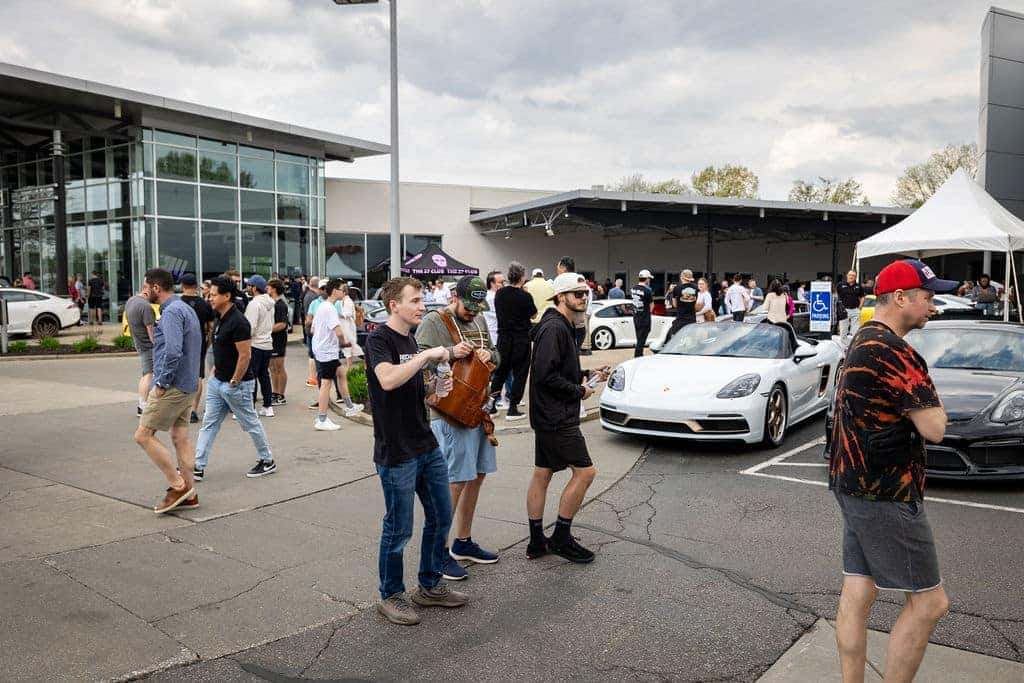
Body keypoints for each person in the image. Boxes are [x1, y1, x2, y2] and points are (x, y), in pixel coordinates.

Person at [830, 258, 955, 683]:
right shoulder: (898, 352)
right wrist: (938, 408)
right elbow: (934, 428)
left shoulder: (863, 337)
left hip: (851, 482)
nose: (932, 305)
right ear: (900, 297)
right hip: (889, 491)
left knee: (859, 589)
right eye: (927, 296)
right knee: (929, 603)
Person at [367, 276, 470, 626]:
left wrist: (436, 385)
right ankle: (391, 594)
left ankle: (429, 585)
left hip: (425, 443)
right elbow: (388, 380)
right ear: (394, 304)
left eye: (422, 299)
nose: (421, 306)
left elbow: (416, 387)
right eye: (414, 300)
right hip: (396, 450)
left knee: (441, 515)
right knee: (398, 528)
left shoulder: (410, 339)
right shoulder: (380, 339)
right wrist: (427, 355)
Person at [416, 275, 501, 581]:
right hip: (449, 413)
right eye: (469, 305)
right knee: (454, 479)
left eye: (479, 307)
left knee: (476, 475)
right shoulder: (434, 321)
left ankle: (462, 542)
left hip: (477, 408)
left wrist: (490, 356)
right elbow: (417, 361)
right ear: (455, 296)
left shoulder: (478, 321)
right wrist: (452, 354)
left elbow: (497, 354)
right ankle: (437, 552)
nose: (473, 312)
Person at [526, 272, 608, 564]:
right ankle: (560, 537)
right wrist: (579, 391)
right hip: (556, 416)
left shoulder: (560, 326)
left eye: (585, 293)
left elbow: (556, 369)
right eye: (577, 294)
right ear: (560, 297)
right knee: (585, 472)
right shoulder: (555, 328)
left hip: (549, 414)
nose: (583, 298)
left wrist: (587, 377)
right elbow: (546, 376)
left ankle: (537, 541)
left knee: (543, 473)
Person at [133, 268, 202, 514]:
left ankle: (178, 486)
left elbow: (173, 351)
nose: (144, 291)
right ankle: (190, 494)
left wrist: (161, 383)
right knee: (180, 438)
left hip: (172, 387)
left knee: (142, 436)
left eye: (146, 286)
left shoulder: (172, 312)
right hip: (188, 385)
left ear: (156, 288)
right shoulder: (185, 308)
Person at [193, 276, 276, 481]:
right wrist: (215, 373)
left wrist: (234, 381)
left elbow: (245, 355)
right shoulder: (219, 316)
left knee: (250, 423)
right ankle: (197, 465)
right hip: (217, 381)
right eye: (209, 294)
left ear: (227, 296)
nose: (209, 298)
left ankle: (267, 460)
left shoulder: (239, 322)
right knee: (209, 424)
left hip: (237, 385)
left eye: (213, 295)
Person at [490, 262, 536, 422]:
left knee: (500, 373)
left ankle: (491, 404)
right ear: (522, 277)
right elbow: (533, 314)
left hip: (503, 338)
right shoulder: (525, 296)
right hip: (521, 339)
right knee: (520, 374)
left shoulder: (500, 294)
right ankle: (513, 407)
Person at [311, 278, 355, 431]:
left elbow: (312, 329)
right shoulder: (330, 308)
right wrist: (343, 343)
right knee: (326, 383)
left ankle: (349, 406)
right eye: (342, 288)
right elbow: (338, 331)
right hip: (327, 351)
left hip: (322, 349)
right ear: (335, 290)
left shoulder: (323, 306)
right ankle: (322, 419)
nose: (344, 291)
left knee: (341, 372)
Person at [179, 274, 215, 424]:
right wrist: (208, 342)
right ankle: (193, 410)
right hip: (198, 342)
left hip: (180, 343)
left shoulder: (177, 303)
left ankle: (181, 410)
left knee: (180, 376)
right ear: (195, 286)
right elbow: (210, 327)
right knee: (197, 376)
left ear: (182, 286)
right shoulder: (204, 304)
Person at [244, 275, 276, 417]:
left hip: (255, 343)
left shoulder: (254, 304)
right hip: (267, 343)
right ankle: (268, 406)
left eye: (250, 285)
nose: (248, 288)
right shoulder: (271, 303)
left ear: (255, 288)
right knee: (264, 375)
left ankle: (250, 408)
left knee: (252, 376)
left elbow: (250, 327)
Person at [125, 282, 157, 416]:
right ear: (147, 291)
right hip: (147, 345)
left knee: (145, 374)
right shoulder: (146, 307)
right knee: (149, 375)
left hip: (138, 342)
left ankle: (142, 404)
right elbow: (151, 332)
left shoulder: (131, 301)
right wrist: (157, 345)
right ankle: (143, 406)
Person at [337, 282, 364, 405]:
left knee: (351, 351)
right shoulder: (343, 301)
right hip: (346, 330)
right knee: (352, 351)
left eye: (339, 291)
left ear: (344, 292)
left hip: (348, 331)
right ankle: (351, 368)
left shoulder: (347, 302)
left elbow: (347, 314)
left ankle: (349, 370)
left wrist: (337, 313)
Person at [268, 279, 290, 406]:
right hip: (271, 340)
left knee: (279, 367)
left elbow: (282, 324)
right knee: (272, 368)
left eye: (269, 287)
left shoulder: (281, 305)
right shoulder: (272, 303)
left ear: (274, 289)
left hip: (278, 340)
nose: (267, 289)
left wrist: (266, 330)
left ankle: (281, 395)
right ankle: (275, 393)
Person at [662, 269, 698, 346]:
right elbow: (696, 303)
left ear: (682, 277)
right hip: (692, 318)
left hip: (681, 318)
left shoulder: (677, 288)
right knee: (690, 340)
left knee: (677, 339)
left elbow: (675, 305)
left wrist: (670, 291)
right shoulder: (696, 288)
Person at [302, 277, 322, 388]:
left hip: (310, 329)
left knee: (312, 354)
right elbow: (310, 317)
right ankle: (313, 378)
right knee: (313, 355)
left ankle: (312, 378)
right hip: (312, 330)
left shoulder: (308, 295)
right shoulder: (313, 298)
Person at [836, 270, 866, 341]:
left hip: (855, 310)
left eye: (853, 275)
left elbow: (862, 297)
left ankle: (854, 346)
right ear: (847, 276)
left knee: (856, 331)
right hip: (844, 311)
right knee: (843, 331)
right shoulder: (840, 285)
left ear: (855, 277)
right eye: (850, 275)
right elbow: (836, 294)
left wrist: (860, 307)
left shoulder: (858, 286)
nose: (851, 277)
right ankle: (846, 347)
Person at [630, 269, 654, 357]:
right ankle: (638, 356)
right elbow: (651, 305)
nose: (649, 280)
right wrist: (648, 312)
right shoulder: (647, 291)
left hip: (636, 316)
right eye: (649, 278)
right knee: (641, 339)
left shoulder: (633, 288)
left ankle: (639, 355)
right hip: (644, 317)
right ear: (647, 278)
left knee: (639, 338)